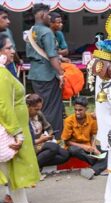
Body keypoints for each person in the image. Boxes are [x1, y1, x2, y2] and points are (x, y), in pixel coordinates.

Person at [0, 33, 49, 203]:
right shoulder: (1, 74)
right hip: (6, 135)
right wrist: (16, 133)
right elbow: (3, 105)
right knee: (8, 175)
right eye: (9, 47)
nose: (13, 51)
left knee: (11, 176)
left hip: (6, 133)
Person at [26, 3, 64, 139]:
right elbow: (52, 56)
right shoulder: (47, 32)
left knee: (40, 106)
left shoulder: (31, 31)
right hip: (47, 74)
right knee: (51, 107)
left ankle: (41, 134)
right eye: (48, 14)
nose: (49, 17)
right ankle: (54, 135)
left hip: (36, 73)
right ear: (42, 15)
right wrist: (61, 74)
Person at [61, 96, 107, 180]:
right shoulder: (68, 120)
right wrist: (83, 147)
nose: (77, 112)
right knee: (73, 150)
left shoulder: (92, 119)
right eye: (75, 110)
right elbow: (66, 141)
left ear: (86, 109)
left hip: (89, 146)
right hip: (75, 148)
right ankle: (97, 162)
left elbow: (93, 136)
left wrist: (94, 147)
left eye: (80, 110)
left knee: (107, 151)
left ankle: (93, 170)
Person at [26, 93, 70, 169]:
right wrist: (41, 139)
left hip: (42, 144)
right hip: (31, 146)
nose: (38, 111)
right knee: (53, 148)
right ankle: (33, 168)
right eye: (36, 109)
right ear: (28, 107)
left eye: (39, 109)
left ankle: (39, 163)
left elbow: (48, 128)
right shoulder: (23, 118)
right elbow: (27, 141)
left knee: (65, 155)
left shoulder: (39, 114)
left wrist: (50, 135)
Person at [0, 5, 22, 77]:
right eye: (4, 18)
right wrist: (18, 61)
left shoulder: (6, 31)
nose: (8, 21)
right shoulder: (6, 32)